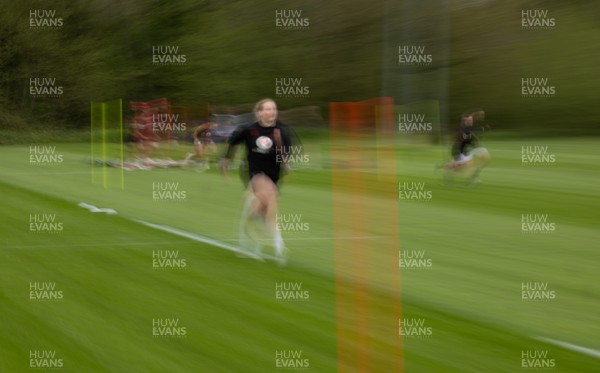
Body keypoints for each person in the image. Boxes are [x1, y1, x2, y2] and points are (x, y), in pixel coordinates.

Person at [219, 98, 292, 264]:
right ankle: (279, 245)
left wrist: (287, 163)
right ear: (259, 112)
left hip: (274, 175)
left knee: (265, 208)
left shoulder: (281, 131)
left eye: (274, 109)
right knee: (271, 195)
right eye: (267, 109)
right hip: (253, 173)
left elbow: (286, 152)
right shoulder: (249, 129)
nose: (271, 112)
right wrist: (226, 160)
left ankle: (248, 236)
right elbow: (232, 142)